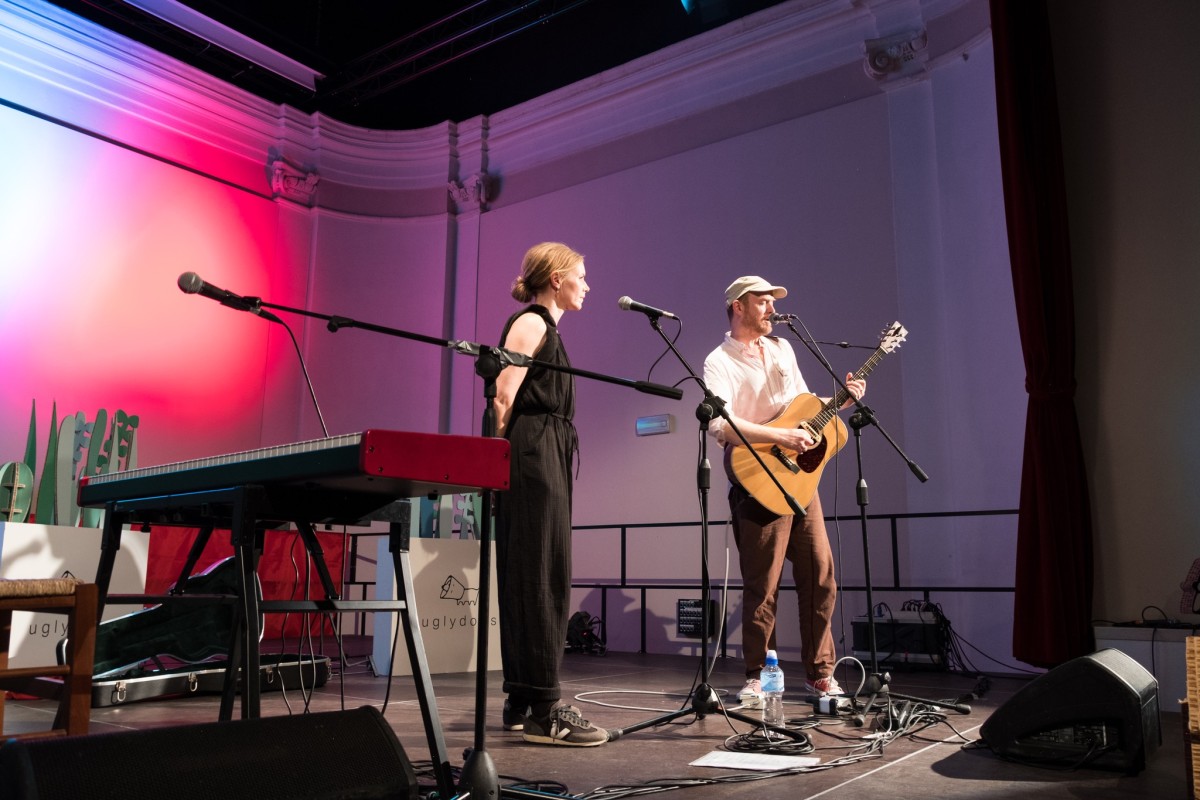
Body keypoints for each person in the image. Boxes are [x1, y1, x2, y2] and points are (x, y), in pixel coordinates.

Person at [702, 275, 866, 707]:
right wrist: (782, 437)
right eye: (763, 302)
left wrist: (840, 403)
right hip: (756, 478)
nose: (772, 309)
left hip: (797, 480)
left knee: (820, 575)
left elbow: (801, 406)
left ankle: (820, 674)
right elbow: (719, 425)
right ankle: (758, 675)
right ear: (738, 306)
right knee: (763, 586)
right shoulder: (719, 360)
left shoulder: (782, 349)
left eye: (773, 302)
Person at [492, 242, 607, 747]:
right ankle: (544, 708)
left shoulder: (546, 328)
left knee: (535, 572)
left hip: (545, 453)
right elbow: (502, 396)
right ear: (556, 278)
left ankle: (521, 698)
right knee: (539, 575)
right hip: (531, 457)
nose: (587, 284)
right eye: (581, 276)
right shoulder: (532, 322)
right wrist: (493, 465)